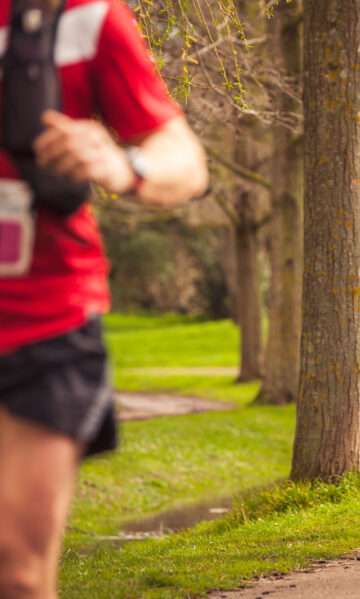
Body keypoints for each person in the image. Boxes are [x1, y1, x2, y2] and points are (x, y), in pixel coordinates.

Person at [0, 0, 208, 596]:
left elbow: (184, 159)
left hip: (44, 319)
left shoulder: (84, 16)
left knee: (16, 567)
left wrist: (125, 163)